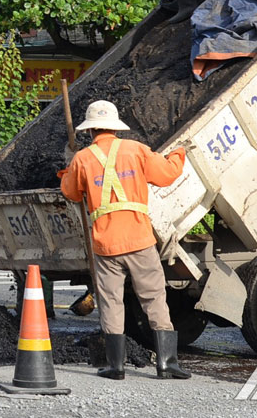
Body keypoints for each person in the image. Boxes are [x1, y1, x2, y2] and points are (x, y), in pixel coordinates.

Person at [59, 100, 190, 380]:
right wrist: (179, 153)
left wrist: (68, 165)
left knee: (111, 301)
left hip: (105, 243)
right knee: (154, 298)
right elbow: (167, 175)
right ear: (115, 127)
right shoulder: (136, 150)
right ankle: (167, 364)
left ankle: (115, 366)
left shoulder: (83, 158)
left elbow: (70, 192)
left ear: (91, 129)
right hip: (139, 239)